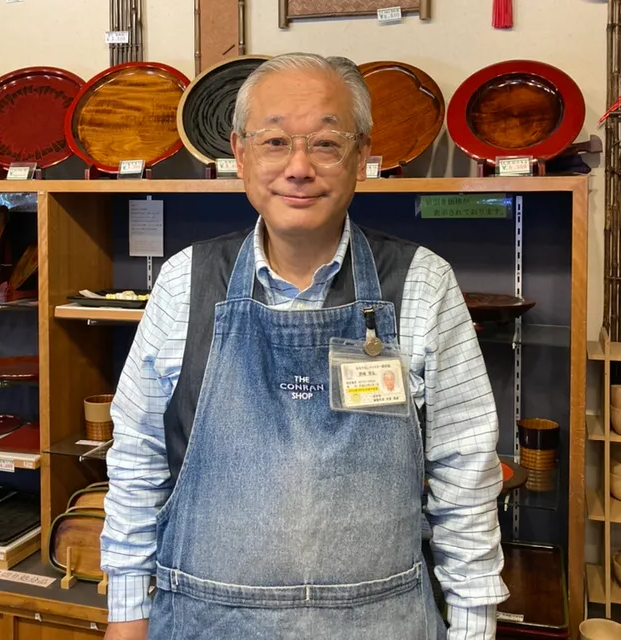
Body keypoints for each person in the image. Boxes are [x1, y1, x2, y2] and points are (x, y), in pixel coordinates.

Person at [101, 53, 508, 640]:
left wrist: (473, 627)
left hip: (380, 624)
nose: (298, 168)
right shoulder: (185, 280)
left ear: (362, 156)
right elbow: (137, 459)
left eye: (325, 144)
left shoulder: (422, 282)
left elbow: (465, 474)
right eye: (274, 142)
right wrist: (126, 613)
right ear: (240, 154)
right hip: (205, 621)